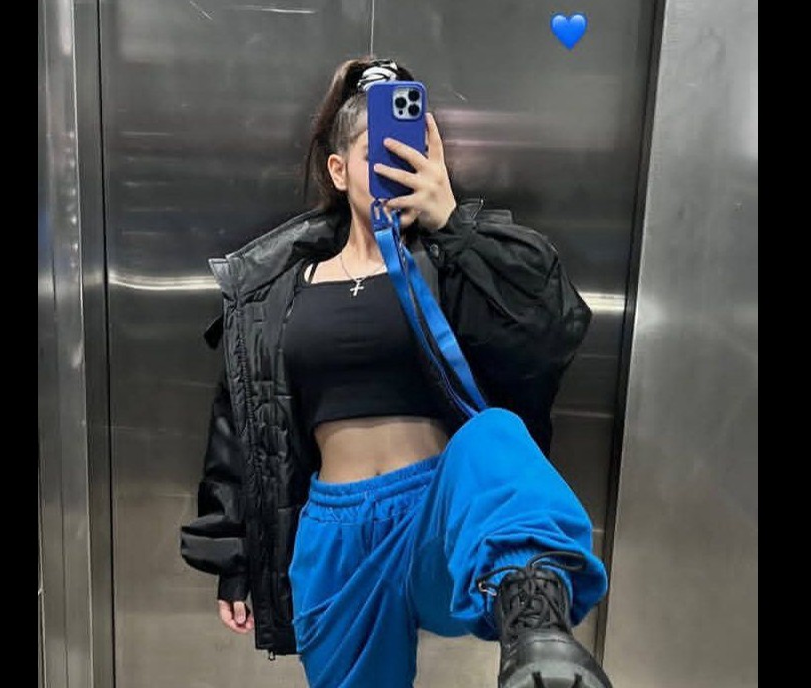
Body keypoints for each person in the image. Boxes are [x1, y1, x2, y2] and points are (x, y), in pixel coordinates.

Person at [180, 57, 613, 688]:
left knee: (494, 436)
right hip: (332, 533)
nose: (393, 165)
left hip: (436, 515)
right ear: (338, 170)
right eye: (373, 153)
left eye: (409, 150)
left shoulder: (454, 262)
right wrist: (234, 555)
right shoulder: (276, 289)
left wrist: (452, 222)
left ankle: (539, 634)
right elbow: (241, 424)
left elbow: (549, 328)